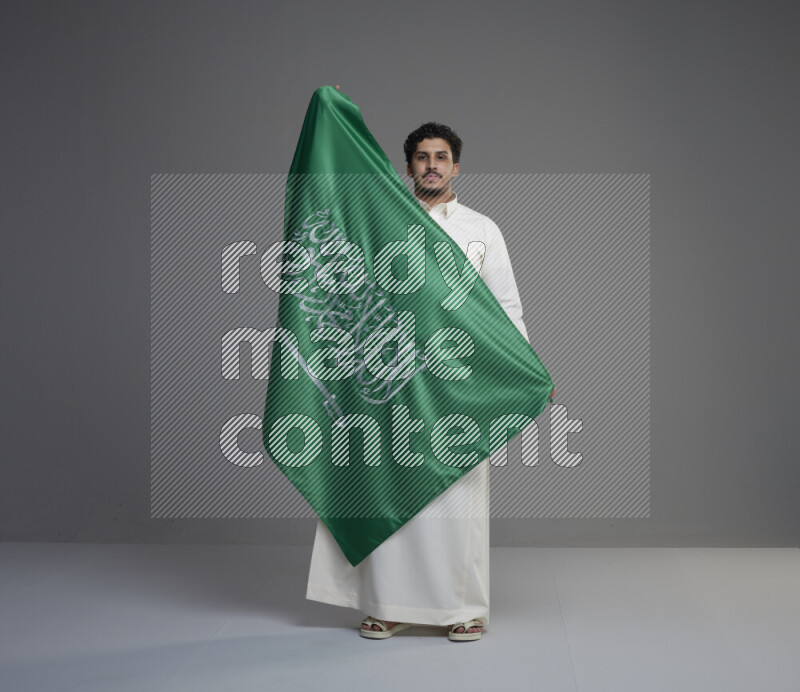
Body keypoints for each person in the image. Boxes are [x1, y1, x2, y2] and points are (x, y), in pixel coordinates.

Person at [305, 122, 554, 642]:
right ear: (409, 165)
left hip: (456, 379)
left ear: (456, 166)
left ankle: (463, 609)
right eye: (422, 157)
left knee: (455, 499)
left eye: (442, 157)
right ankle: (387, 604)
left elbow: (506, 307)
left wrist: (529, 367)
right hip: (392, 376)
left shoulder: (482, 229)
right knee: (388, 485)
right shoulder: (381, 222)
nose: (432, 165)